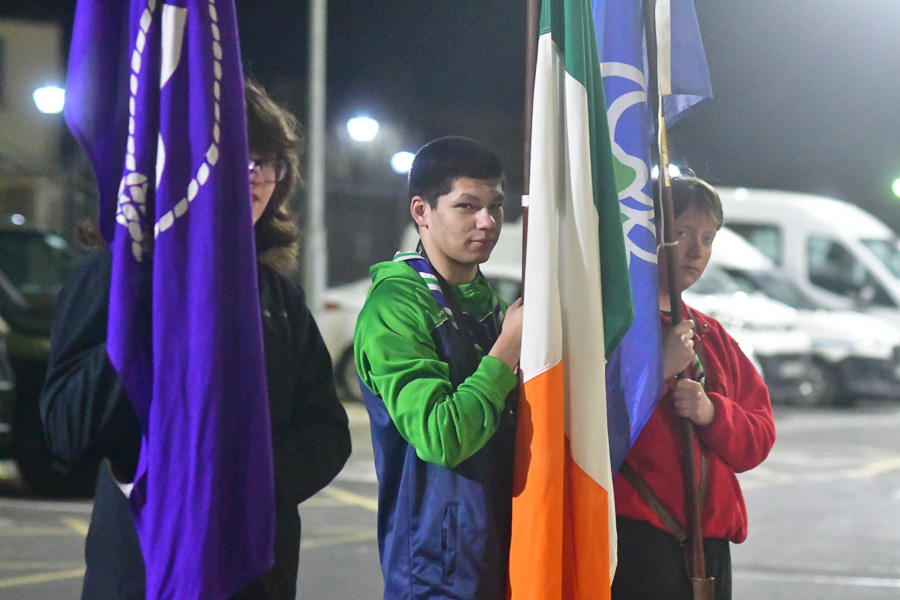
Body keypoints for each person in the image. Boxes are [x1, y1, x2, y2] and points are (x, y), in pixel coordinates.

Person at [39, 80, 352, 600]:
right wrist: (152, 300)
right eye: (237, 156)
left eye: (267, 161)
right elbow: (69, 429)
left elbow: (326, 430)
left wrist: (247, 483)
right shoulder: (115, 278)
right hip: (144, 569)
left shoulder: (276, 295)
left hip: (255, 573)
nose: (256, 175)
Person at [354, 136, 524, 599]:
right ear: (421, 211)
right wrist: (507, 350)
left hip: (504, 555)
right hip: (436, 573)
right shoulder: (395, 306)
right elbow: (440, 436)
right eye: (467, 206)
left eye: (496, 206)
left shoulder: (490, 304)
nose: (487, 222)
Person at [610, 175, 776, 600]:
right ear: (647, 235)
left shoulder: (712, 335)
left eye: (707, 238)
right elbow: (590, 428)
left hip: (711, 546)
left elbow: (759, 437)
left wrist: (713, 413)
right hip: (637, 541)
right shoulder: (616, 329)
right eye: (681, 233)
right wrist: (656, 371)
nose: (695, 251)